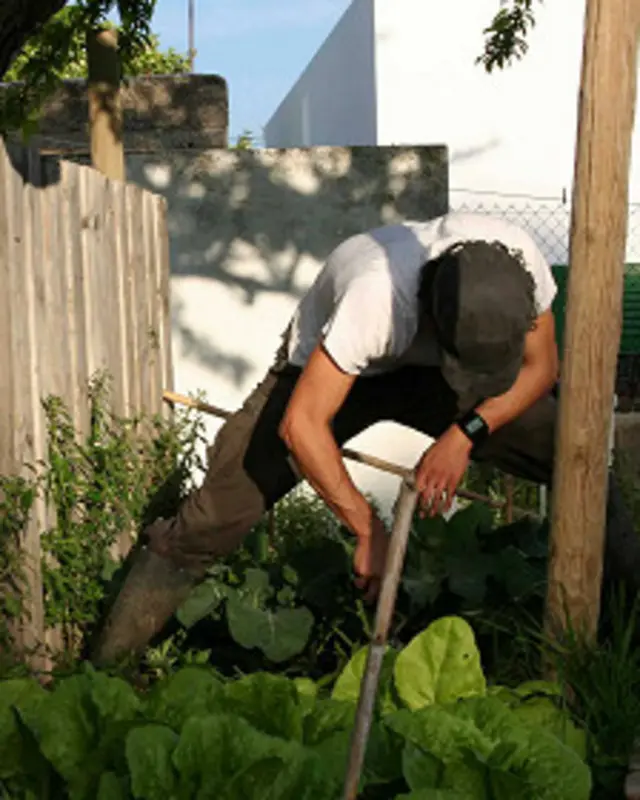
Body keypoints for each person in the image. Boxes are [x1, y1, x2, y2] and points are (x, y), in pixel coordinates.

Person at [91, 212, 639, 665]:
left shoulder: (523, 268)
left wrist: (464, 433)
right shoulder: (376, 299)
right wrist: (366, 528)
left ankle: (620, 644)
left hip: (442, 381)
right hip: (337, 374)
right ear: (429, 319)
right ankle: (107, 669)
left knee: (577, 457)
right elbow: (302, 424)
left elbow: (541, 369)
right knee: (221, 505)